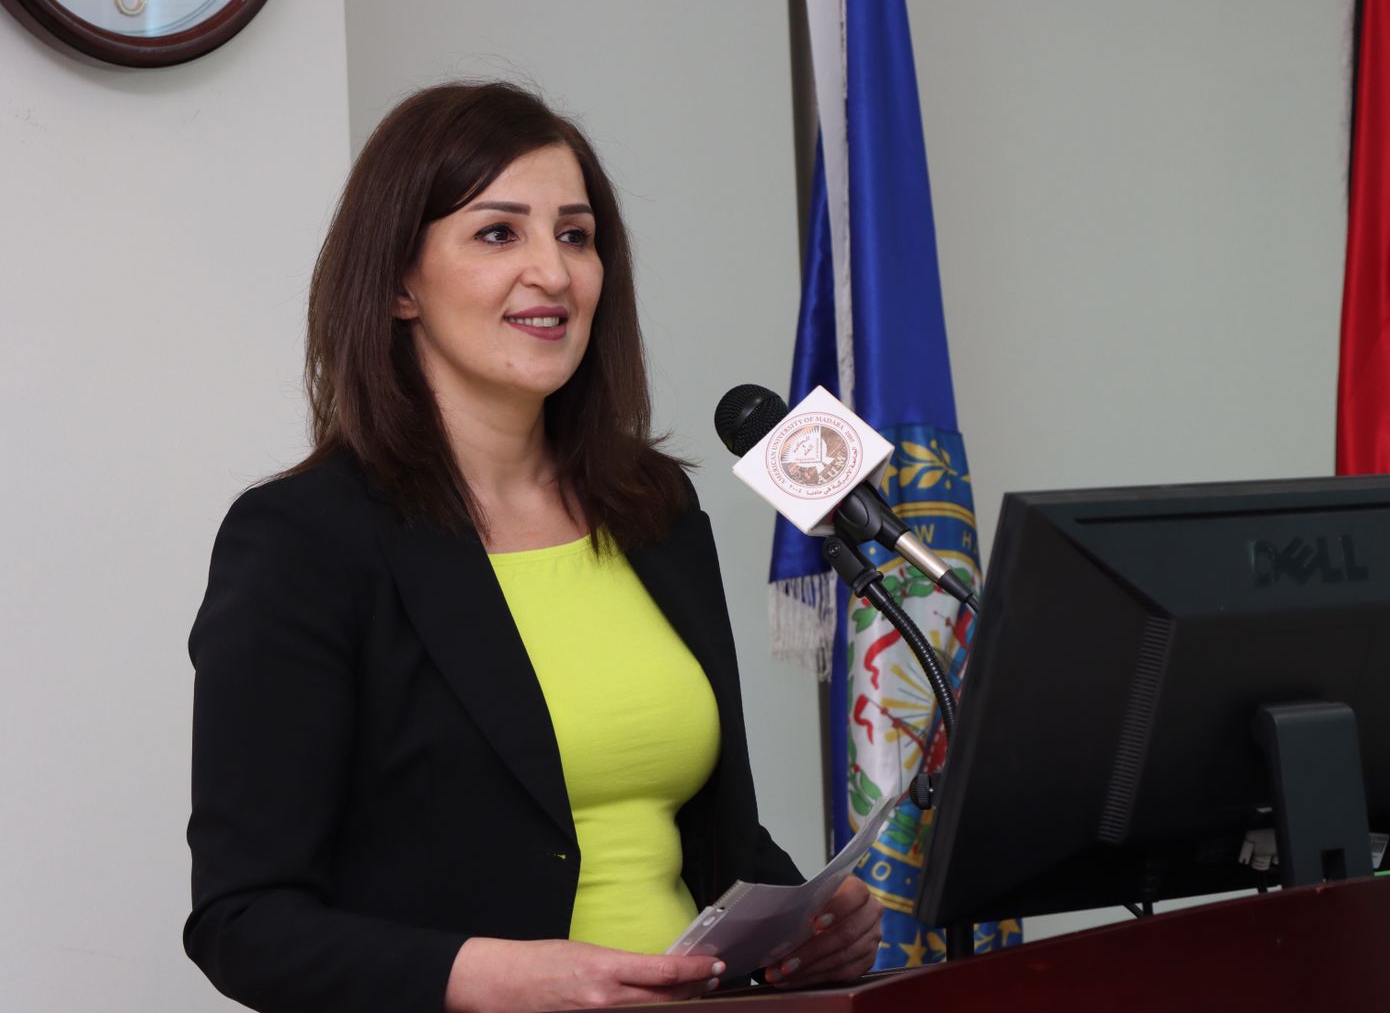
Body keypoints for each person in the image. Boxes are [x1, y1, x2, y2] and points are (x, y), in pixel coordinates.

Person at [185, 81, 883, 1013]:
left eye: (576, 235)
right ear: (398, 283)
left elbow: (709, 840)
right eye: (498, 233)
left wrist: (805, 921)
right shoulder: (304, 541)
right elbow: (244, 923)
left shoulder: (654, 507)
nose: (553, 273)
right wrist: (494, 977)